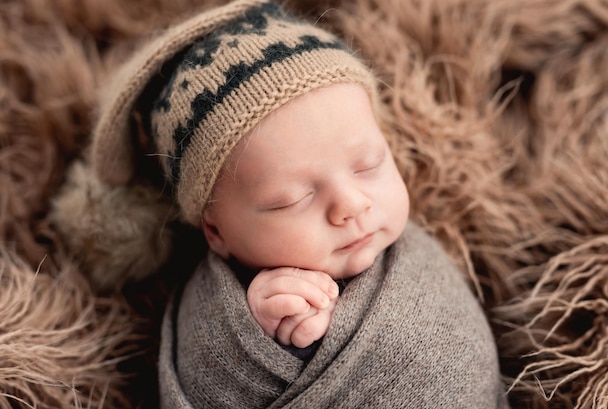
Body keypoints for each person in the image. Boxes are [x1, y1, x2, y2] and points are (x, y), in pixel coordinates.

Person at [89, 0, 510, 407]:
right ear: (216, 233)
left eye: (369, 165)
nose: (351, 203)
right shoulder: (218, 307)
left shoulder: (415, 261)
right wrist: (257, 334)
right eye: (294, 199)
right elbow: (205, 377)